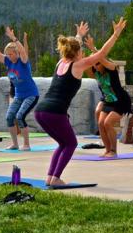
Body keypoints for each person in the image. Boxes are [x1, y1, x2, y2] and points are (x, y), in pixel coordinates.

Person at [34, 18, 126, 186]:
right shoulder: (78, 65)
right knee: (70, 143)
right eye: (81, 50)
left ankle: (50, 177)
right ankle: (55, 178)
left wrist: (78, 35)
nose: (83, 53)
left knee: (63, 143)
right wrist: (115, 34)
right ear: (77, 53)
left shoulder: (60, 63)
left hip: (40, 111)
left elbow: (72, 47)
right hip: (55, 111)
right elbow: (102, 53)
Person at [0, 25, 39, 150]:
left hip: (31, 95)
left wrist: (14, 39)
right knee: (9, 117)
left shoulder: (23, 61)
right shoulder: (8, 61)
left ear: (16, 53)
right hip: (18, 96)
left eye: (11, 54)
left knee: (20, 116)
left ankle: (26, 144)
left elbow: (23, 51)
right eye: (8, 54)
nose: (9, 56)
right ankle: (15, 144)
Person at [84, 35, 131, 157]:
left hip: (120, 101)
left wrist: (94, 49)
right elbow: (87, 66)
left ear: (104, 63)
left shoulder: (111, 69)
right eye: (94, 64)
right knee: (100, 123)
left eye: (98, 63)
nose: (96, 66)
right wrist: (85, 57)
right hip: (108, 101)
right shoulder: (96, 73)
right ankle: (107, 150)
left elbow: (103, 59)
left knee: (108, 123)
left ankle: (114, 151)